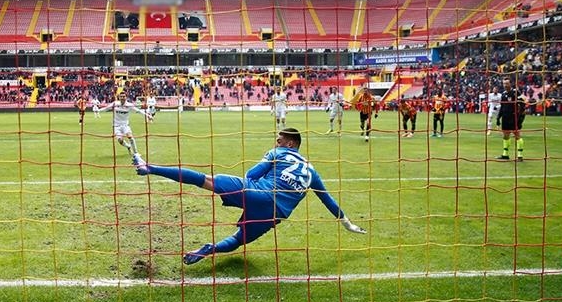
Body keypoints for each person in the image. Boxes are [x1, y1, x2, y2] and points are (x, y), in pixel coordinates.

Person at [132, 128, 367, 265]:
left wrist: (249, 187)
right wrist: (348, 224)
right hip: (276, 214)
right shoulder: (313, 172)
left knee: (205, 180)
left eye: (280, 138)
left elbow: (251, 174)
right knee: (239, 239)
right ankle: (209, 249)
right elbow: (328, 201)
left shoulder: (279, 152)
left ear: (291, 143)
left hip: (257, 193)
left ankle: (149, 168)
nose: (277, 141)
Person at [99, 90, 151, 159]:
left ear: (126, 97)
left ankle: (136, 153)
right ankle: (128, 146)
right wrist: (98, 110)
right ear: (119, 97)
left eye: (124, 96)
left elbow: (138, 111)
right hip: (116, 126)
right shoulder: (115, 104)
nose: (122, 98)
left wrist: (148, 115)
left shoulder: (129, 105)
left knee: (130, 137)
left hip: (125, 125)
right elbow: (106, 108)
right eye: (121, 97)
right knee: (120, 141)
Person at [496, 78, 526, 161]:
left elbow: (522, 105)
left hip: (514, 118)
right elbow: (502, 107)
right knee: (505, 136)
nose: (505, 85)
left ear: (510, 84)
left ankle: (520, 156)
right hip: (505, 118)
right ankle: (505, 154)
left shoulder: (516, 92)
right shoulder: (503, 94)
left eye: (507, 84)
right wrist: (498, 118)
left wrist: (520, 117)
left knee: (517, 135)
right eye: (504, 84)